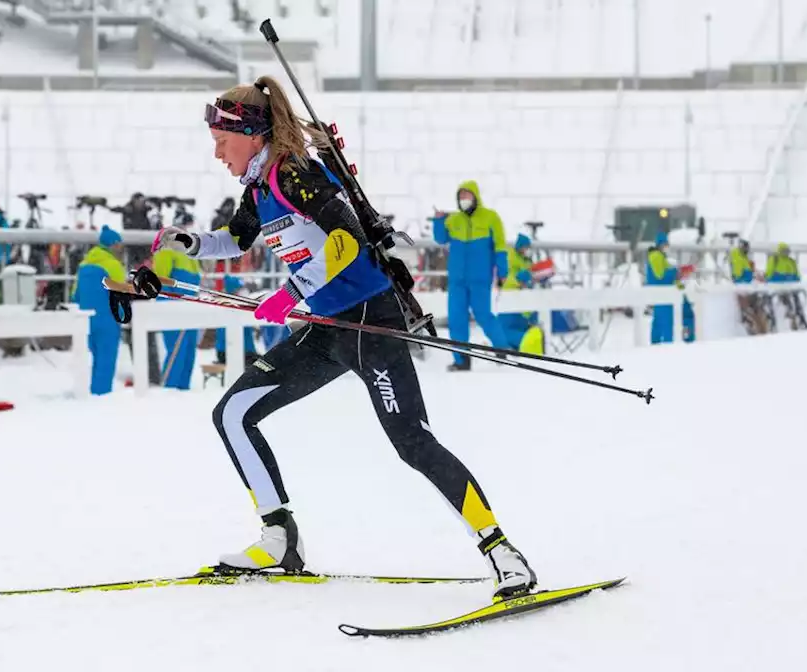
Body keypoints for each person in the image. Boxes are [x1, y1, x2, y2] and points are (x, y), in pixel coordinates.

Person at [136, 75, 536, 599]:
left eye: (221, 140)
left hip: (370, 320)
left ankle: (504, 553)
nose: (217, 153)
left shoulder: (295, 172)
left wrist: (292, 292)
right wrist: (188, 242)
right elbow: (235, 239)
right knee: (232, 412)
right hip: (326, 328)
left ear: (251, 134)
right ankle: (278, 538)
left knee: (412, 442)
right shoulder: (258, 187)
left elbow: (346, 237)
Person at [432, 180, 510, 371]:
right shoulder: (454, 220)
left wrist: (502, 271)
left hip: (480, 278)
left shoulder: (491, 218)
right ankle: (461, 360)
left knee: (483, 315)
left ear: (475, 196)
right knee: (456, 318)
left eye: (467, 195)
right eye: (461, 196)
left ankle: (502, 350)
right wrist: (439, 220)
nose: (463, 199)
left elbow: (500, 247)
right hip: (457, 279)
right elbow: (440, 238)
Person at [72, 227, 126, 395]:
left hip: (87, 319)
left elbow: (75, 294)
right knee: (106, 360)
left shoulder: (84, 264)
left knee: (95, 358)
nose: (121, 248)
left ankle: (93, 391)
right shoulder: (113, 265)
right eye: (119, 244)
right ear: (113, 244)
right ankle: (102, 395)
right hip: (108, 318)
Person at [152, 228, 202, 390]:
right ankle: (169, 389)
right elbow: (160, 284)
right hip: (173, 311)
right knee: (176, 353)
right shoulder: (165, 254)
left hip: (190, 310)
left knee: (188, 354)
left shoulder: (191, 259)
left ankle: (183, 390)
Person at [496, 234, 543, 355]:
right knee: (505, 328)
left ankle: (525, 342)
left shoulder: (526, 260)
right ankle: (521, 342)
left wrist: (537, 277)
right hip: (509, 299)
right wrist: (518, 280)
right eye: (525, 247)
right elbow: (506, 277)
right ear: (519, 246)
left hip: (523, 302)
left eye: (528, 248)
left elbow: (529, 277)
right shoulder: (509, 257)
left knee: (519, 325)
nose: (526, 250)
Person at [644, 232, 679, 344]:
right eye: (664, 244)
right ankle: (667, 346)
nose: (666, 247)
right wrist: (675, 272)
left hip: (659, 294)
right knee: (666, 321)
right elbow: (660, 276)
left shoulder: (660, 256)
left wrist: (678, 276)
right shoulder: (656, 256)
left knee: (658, 322)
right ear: (659, 244)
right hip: (662, 294)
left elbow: (667, 272)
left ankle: (656, 345)